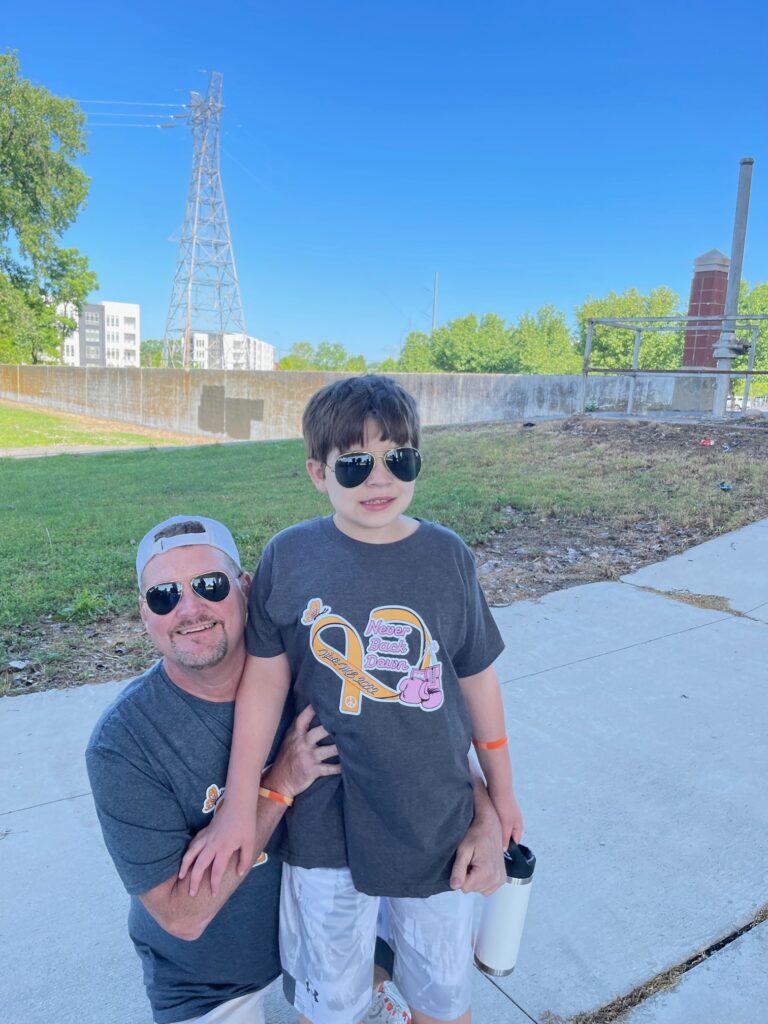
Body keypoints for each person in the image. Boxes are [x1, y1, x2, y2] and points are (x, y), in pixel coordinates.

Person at [180, 376, 524, 1024]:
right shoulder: (290, 555)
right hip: (325, 823)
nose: (380, 477)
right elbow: (264, 685)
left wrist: (502, 796)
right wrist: (238, 806)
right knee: (330, 1001)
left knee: (443, 996)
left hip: (435, 820)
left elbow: (478, 680)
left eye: (399, 458)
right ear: (319, 472)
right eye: (356, 463)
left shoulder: (447, 557)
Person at [86, 514, 505, 1024]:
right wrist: (277, 784)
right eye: (163, 596)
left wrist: (485, 816)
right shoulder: (124, 744)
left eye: (210, 585)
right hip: (217, 979)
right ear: (144, 613)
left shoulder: (315, 671)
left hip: (347, 922)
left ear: (247, 588)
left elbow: (421, 742)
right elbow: (183, 915)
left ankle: (374, 985)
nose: (190, 609)